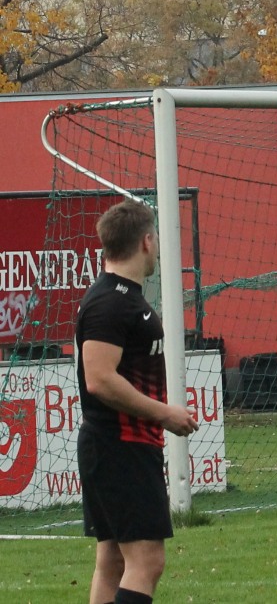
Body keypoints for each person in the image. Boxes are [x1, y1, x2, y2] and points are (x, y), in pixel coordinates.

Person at [76, 200, 200, 604]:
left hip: (118, 446)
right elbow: (99, 379)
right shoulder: (111, 302)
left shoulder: (122, 297)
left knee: (113, 560)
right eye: (157, 238)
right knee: (147, 561)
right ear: (147, 241)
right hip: (120, 446)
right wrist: (165, 414)